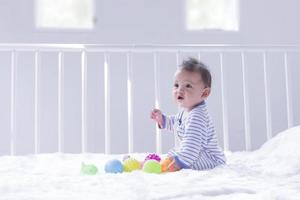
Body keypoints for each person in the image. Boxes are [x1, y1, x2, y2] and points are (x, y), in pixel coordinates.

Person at [150, 58, 226, 172]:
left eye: (188, 86)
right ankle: (163, 163)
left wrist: (180, 162)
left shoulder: (197, 116)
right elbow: (177, 123)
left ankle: (170, 163)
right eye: (176, 85)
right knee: (174, 154)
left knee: (177, 158)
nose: (179, 90)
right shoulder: (186, 111)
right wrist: (163, 120)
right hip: (197, 152)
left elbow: (192, 146)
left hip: (210, 159)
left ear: (204, 93)